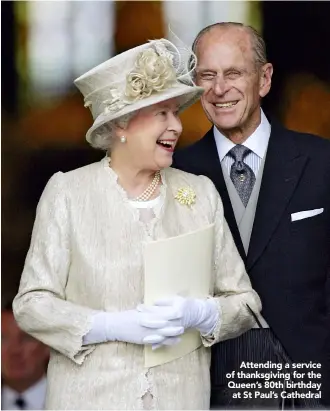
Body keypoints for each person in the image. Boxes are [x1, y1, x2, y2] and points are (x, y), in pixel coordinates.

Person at [12, 38, 261, 410]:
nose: (176, 125)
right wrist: (110, 326)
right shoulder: (68, 192)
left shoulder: (201, 194)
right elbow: (31, 304)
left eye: (175, 112)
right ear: (121, 125)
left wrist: (204, 314)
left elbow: (246, 303)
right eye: (162, 113)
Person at [173, 22, 330, 408]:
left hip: (309, 386)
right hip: (209, 390)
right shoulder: (175, 173)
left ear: (264, 79)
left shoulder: (323, 162)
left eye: (234, 73)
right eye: (207, 75)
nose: (219, 88)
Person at [2, 303, 49, 410]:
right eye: (2, 339)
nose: (14, 350)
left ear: (47, 346)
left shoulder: (75, 402)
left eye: (26, 338)